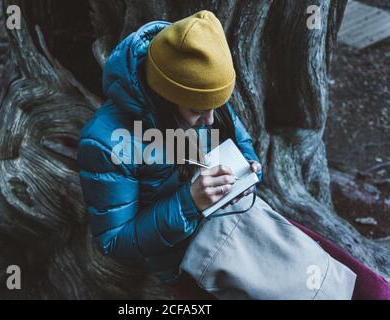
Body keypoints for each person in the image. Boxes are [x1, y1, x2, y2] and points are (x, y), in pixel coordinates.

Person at [78, 10, 390, 299]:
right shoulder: (105, 143)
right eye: (197, 111)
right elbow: (114, 241)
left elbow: (240, 142)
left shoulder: (203, 88)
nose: (211, 120)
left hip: (247, 220)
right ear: (164, 97)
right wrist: (190, 203)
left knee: (367, 288)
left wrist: (249, 168)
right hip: (193, 260)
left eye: (216, 107)